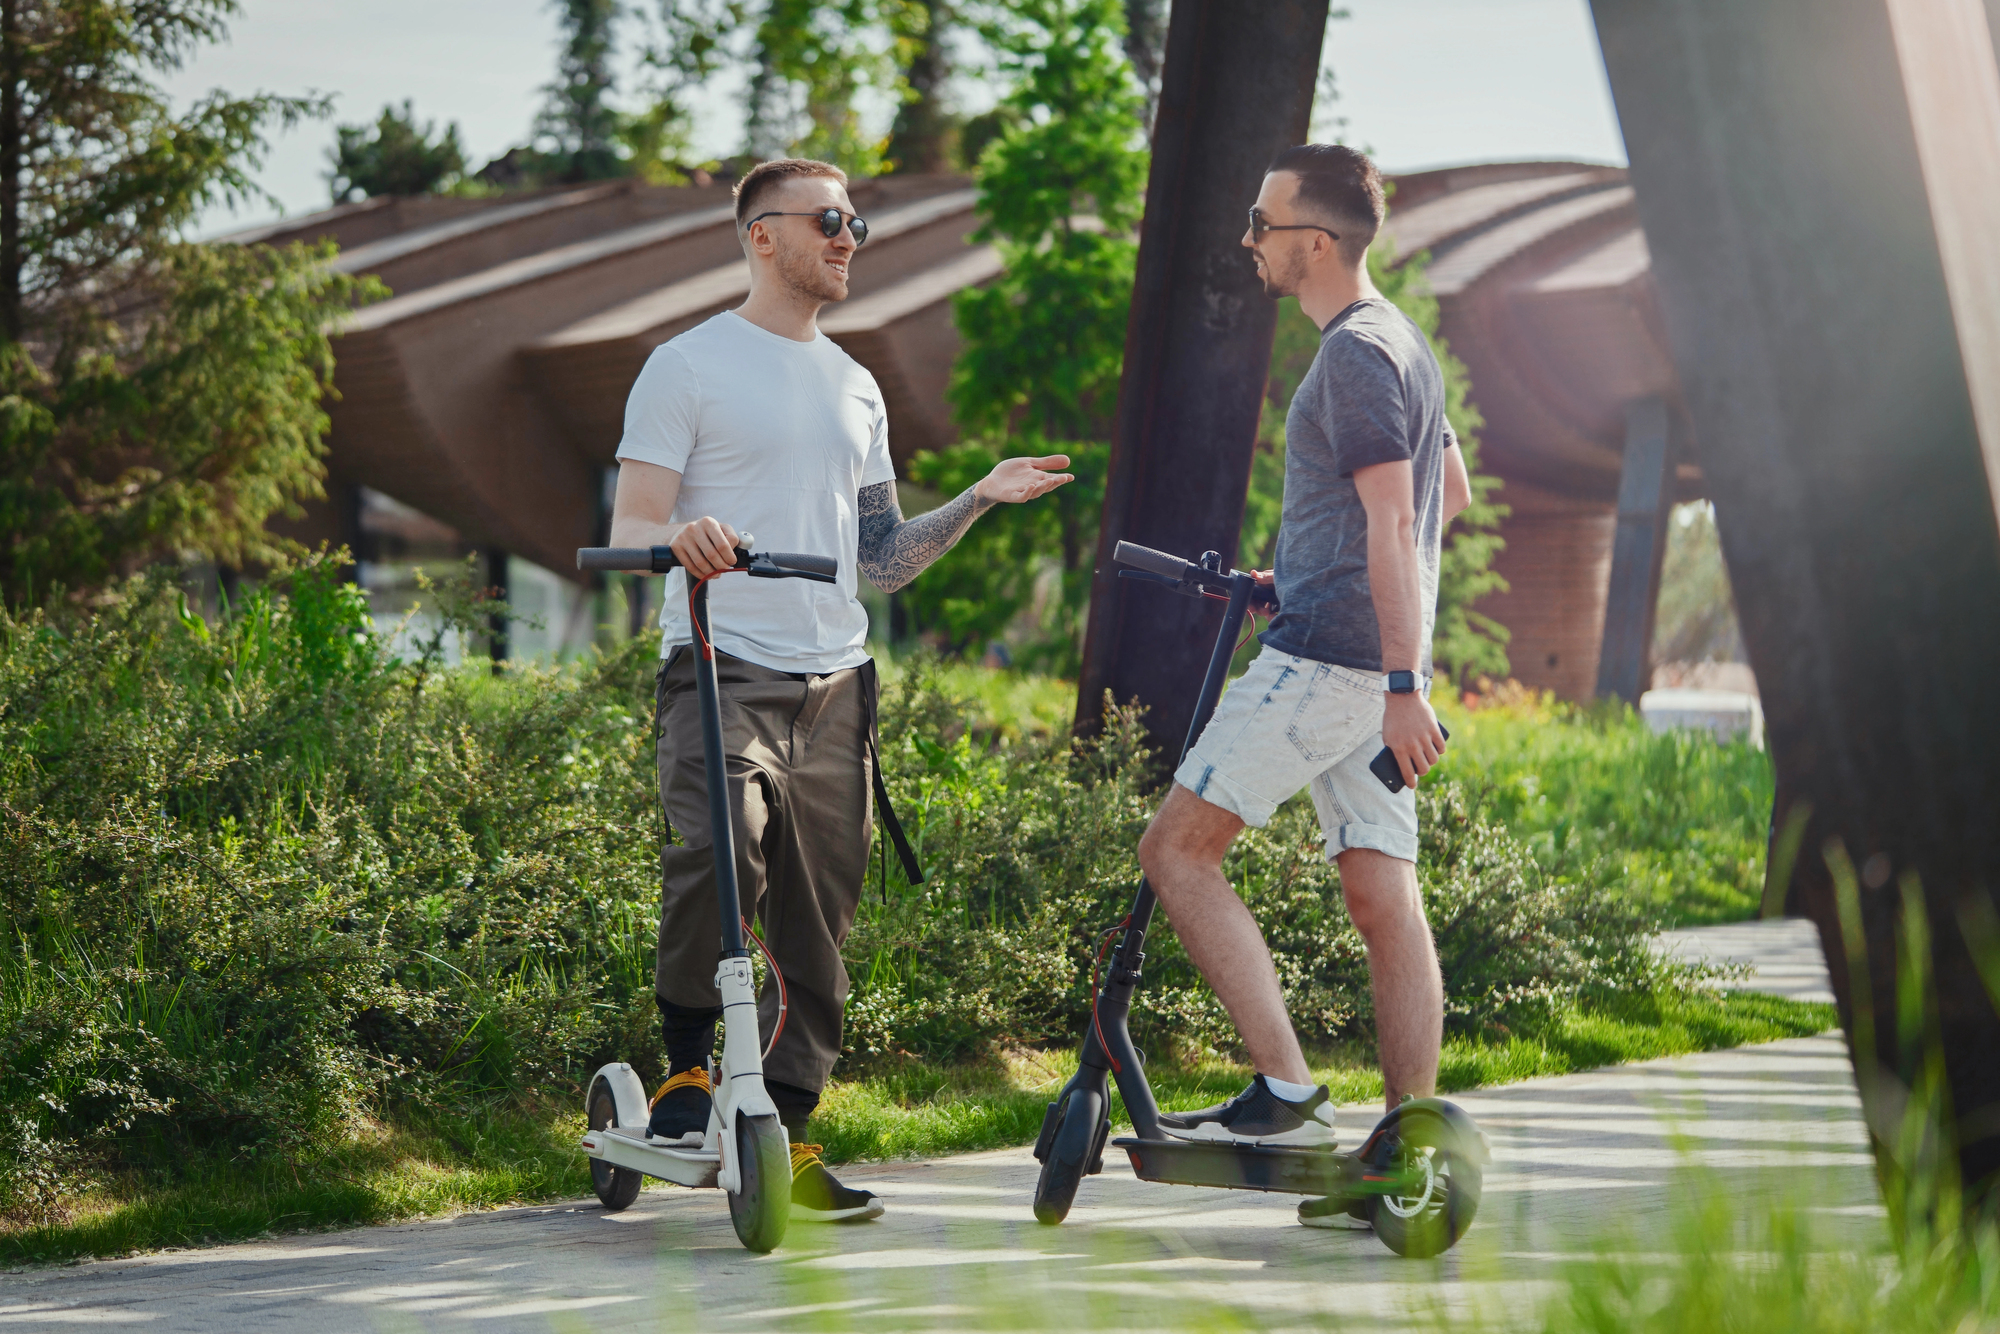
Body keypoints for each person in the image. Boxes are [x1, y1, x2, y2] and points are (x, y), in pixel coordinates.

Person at [605, 158, 1071, 1222]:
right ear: (760, 234)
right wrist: (680, 539)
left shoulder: (856, 384)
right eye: (828, 219)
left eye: (855, 219)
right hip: (721, 666)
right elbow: (633, 521)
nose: (848, 235)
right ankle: (685, 1066)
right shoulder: (686, 366)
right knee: (714, 853)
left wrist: (979, 498)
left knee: (819, 917)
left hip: (836, 685)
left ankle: (788, 1127)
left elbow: (885, 559)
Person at [1135, 144, 1473, 1229]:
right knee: (1382, 898)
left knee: (1175, 850)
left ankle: (1282, 1093)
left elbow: (1390, 517)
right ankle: (1404, 1149)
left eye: (1261, 222)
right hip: (1357, 658)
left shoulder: (1351, 358)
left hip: (1334, 664)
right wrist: (1324, 575)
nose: (1249, 240)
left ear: (1311, 242)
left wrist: (1400, 678)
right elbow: (1444, 496)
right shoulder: (1402, 344)